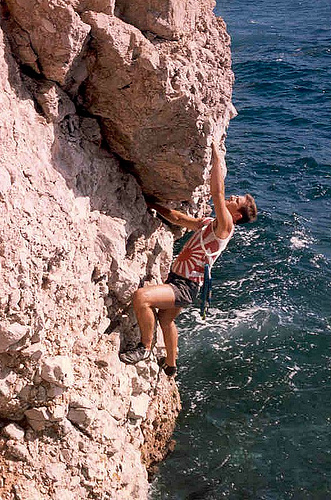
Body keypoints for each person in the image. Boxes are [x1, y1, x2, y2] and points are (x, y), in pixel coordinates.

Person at [119, 142, 257, 376]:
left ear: (236, 214)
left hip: (185, 286)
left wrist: (216, 158)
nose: (233, 196)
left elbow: (218, 192)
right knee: (166, 321)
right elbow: (180, 219)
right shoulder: (208, 224)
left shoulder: (226, 227)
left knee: (141, 297)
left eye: (238, 200)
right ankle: (171, 366)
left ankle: (144, 348)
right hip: (180, 280)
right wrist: (152, 205)